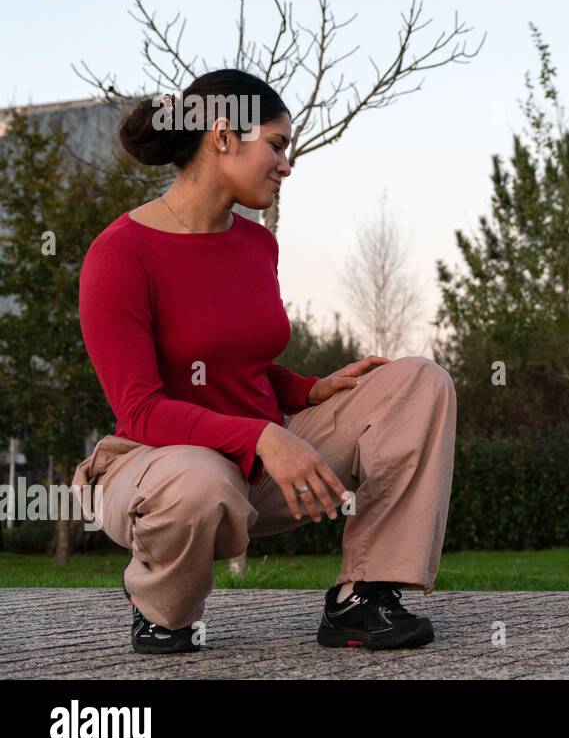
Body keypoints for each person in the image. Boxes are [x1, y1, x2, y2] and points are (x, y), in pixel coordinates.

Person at [75, 68, 457, 653]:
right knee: (199, 481)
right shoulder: (120, 253)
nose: (287, 163)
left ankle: (364, 596)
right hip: (162, 469)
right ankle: (162, 609)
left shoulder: (257, 243)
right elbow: (142, 408)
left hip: (259, 465)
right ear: (223, 137)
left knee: (419, 382)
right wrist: (263, 438)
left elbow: (235, 364)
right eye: (276, 145)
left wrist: (307, 392)